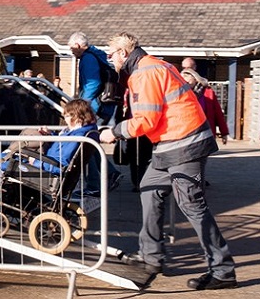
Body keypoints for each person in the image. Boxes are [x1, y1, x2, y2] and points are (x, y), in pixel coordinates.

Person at [99, 32, 236, 290]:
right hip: (170, 145)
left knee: (192, 206)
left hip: (184, 144)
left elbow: (146, 120)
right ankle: (151, 257)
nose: (109, 60)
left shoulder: (144, 73)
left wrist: (114, 132)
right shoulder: (155, 65)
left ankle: (223, 270)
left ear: (123, 53)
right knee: (149, 190)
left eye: (111, 54)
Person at [0, 99, 99, 206]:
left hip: (48, 172)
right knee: (8, 160)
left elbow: (63, 161)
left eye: (67, 116)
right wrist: (50, 135)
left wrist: (35, 161)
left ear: (77, 117)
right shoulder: (80, 133)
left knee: (4, 165)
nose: (65, 119)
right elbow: (61, 150)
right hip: (49, 167)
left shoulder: (75, 137)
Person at [68, 32, 122, 194]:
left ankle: (94, 184)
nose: (71, 51)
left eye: (71, 48)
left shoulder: (88, 58)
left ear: (78, 45)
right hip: (105, 106)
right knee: (91, 144)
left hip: (95, 107)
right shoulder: (96, 55)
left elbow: (93, 83)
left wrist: (82, 105)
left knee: (85, 144)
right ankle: (110, 173)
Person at [181, 68, 229, 144]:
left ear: (195, 79)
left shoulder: (208, 92)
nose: (186, 83)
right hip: (187, 134)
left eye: (188, 81)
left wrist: (224, 133)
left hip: (206, 132)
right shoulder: (181, 94)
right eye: (184, 82)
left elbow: (218, 114)